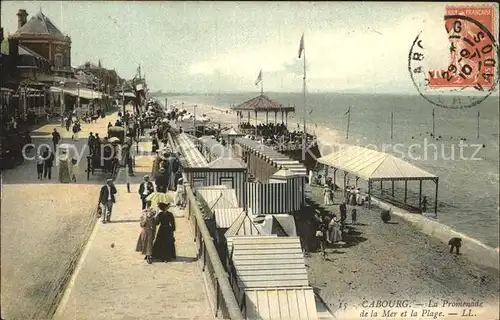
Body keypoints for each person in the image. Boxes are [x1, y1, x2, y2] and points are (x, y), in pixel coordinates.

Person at [136, 200, 157, 264]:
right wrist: (144, 220)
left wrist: (154, 234)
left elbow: (154, 227)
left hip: (150, 232)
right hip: (144, 232)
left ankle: (149, 256)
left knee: (149, 244)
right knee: (145, 243)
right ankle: (147, 254)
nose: (150, 214)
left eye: (151, 213)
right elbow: (141, 225)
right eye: (149, 212)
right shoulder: (143, 217)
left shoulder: (153, 219)